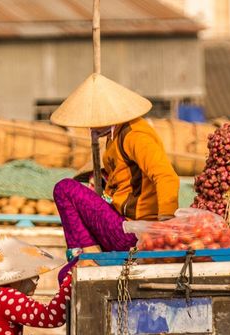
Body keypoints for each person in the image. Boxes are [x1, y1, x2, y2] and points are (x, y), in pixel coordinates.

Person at [51, 73, 179, 272]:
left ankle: (89, 254)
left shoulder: (135, 135)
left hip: (132, 232)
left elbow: (166, 177)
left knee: (64, 189)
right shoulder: (115, 136)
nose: (89, 127)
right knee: (64, 275)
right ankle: (85, 253)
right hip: (122, 224)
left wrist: (165, 228)